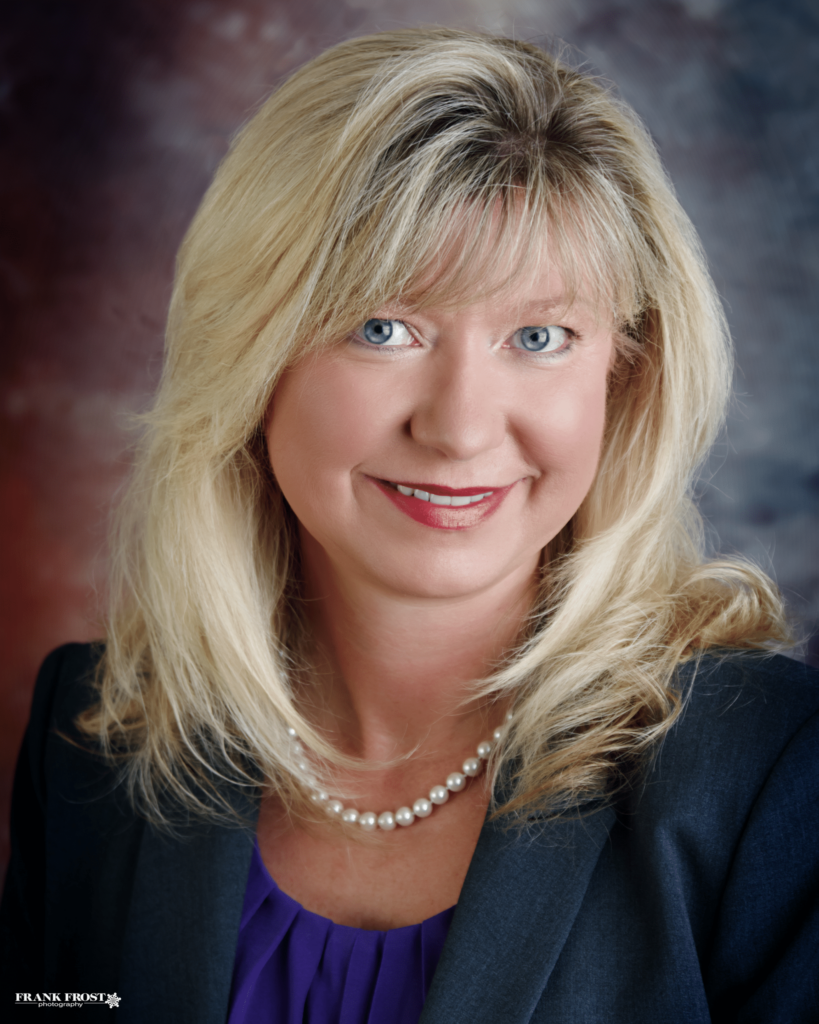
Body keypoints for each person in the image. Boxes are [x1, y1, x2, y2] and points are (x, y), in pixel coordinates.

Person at [1, 27, 817, 1024]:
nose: (459, 425)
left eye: (539, 336)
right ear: (254, 359)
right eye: (384, 327)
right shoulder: (91, 739)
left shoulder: (770, 773)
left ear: (625, 374)